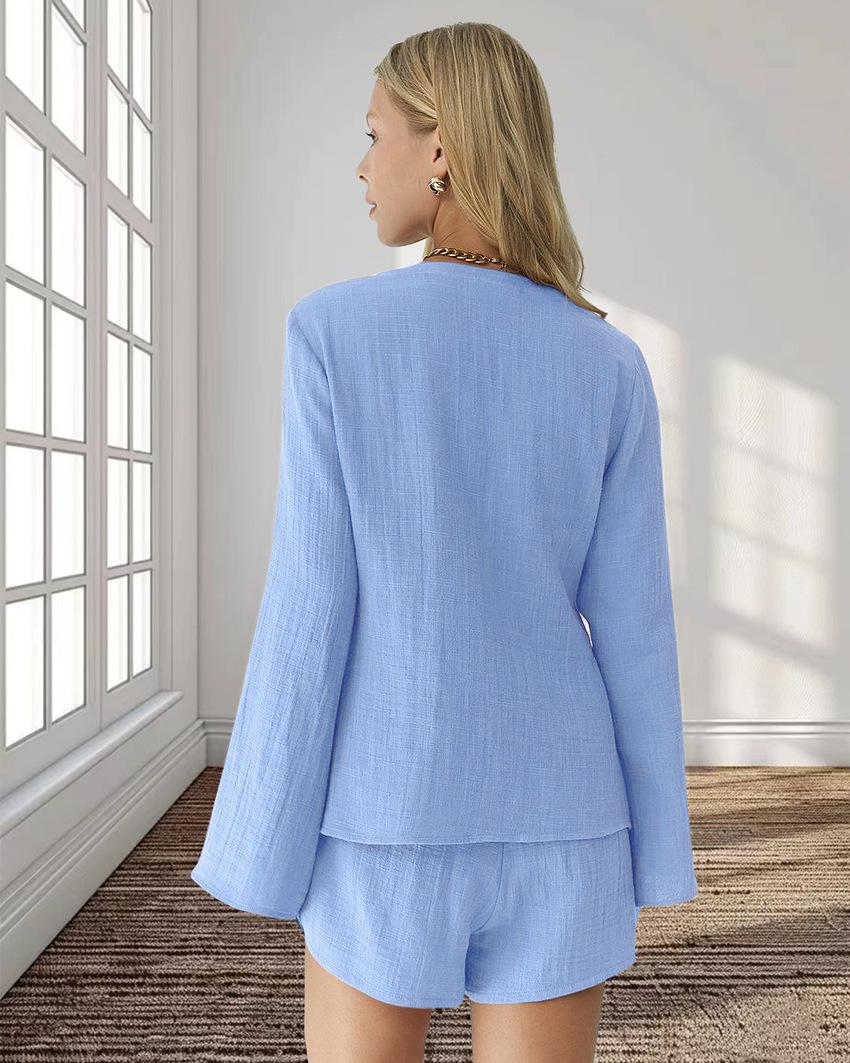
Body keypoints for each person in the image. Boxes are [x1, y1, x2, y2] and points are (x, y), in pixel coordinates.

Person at [191, 21, 698, 1063]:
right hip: (567, 823)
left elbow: (310, 609)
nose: (361, 164)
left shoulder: (333, 333)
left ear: (441, 147)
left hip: (385, 821)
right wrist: (656, 856)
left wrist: (258, 851)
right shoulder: (607, 363)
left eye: (374, 133)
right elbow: (636, 632)